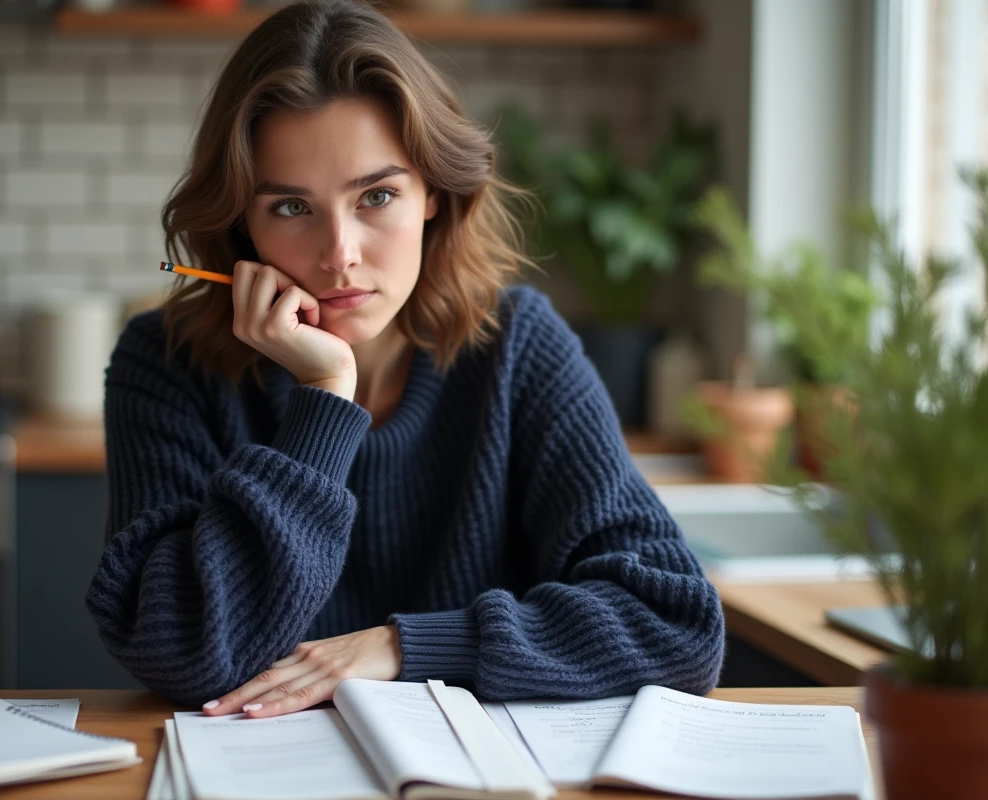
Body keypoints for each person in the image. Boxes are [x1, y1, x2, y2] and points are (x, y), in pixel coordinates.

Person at [86, 0, 724, 719]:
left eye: (377, 196)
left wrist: (405, 647)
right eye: (291, 209)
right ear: (241, 222)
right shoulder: (165, 360)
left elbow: (676, 624)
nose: (339, 255)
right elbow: (184, 653)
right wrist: (324, 399)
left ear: (432, 194)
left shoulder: (516, 347)